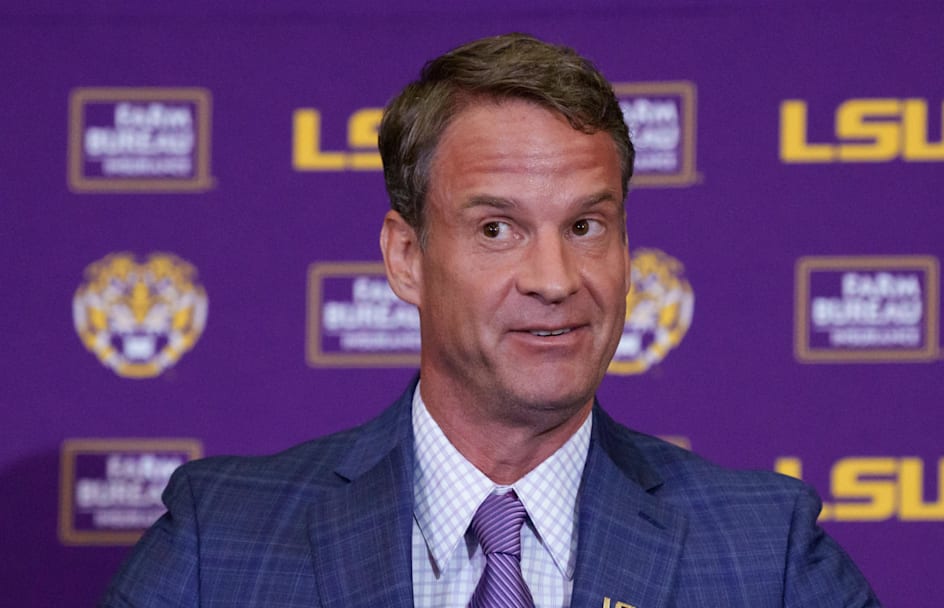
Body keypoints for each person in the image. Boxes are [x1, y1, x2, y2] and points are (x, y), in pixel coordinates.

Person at [101, 33, 880, 607]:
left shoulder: (763, 553)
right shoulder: (223, 540)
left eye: (585, 226)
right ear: (406, 257)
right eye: (496, 229)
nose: (554, 280)